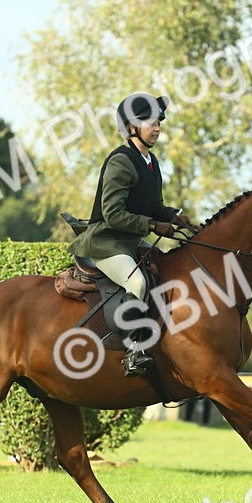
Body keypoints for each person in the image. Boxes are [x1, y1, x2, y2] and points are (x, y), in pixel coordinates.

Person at [67, 92, 199, 377]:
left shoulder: (151, 162)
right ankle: (133, 351)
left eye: (159, 123)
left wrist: (174, 217)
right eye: (151, 122)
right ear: (130, 128)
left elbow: (155, 207)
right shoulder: (121, 161)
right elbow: (113, 213)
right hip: (105, 243)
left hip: (128, 242)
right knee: (138, 282)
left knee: (166, 270)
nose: (158, 128)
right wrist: (152, 226)